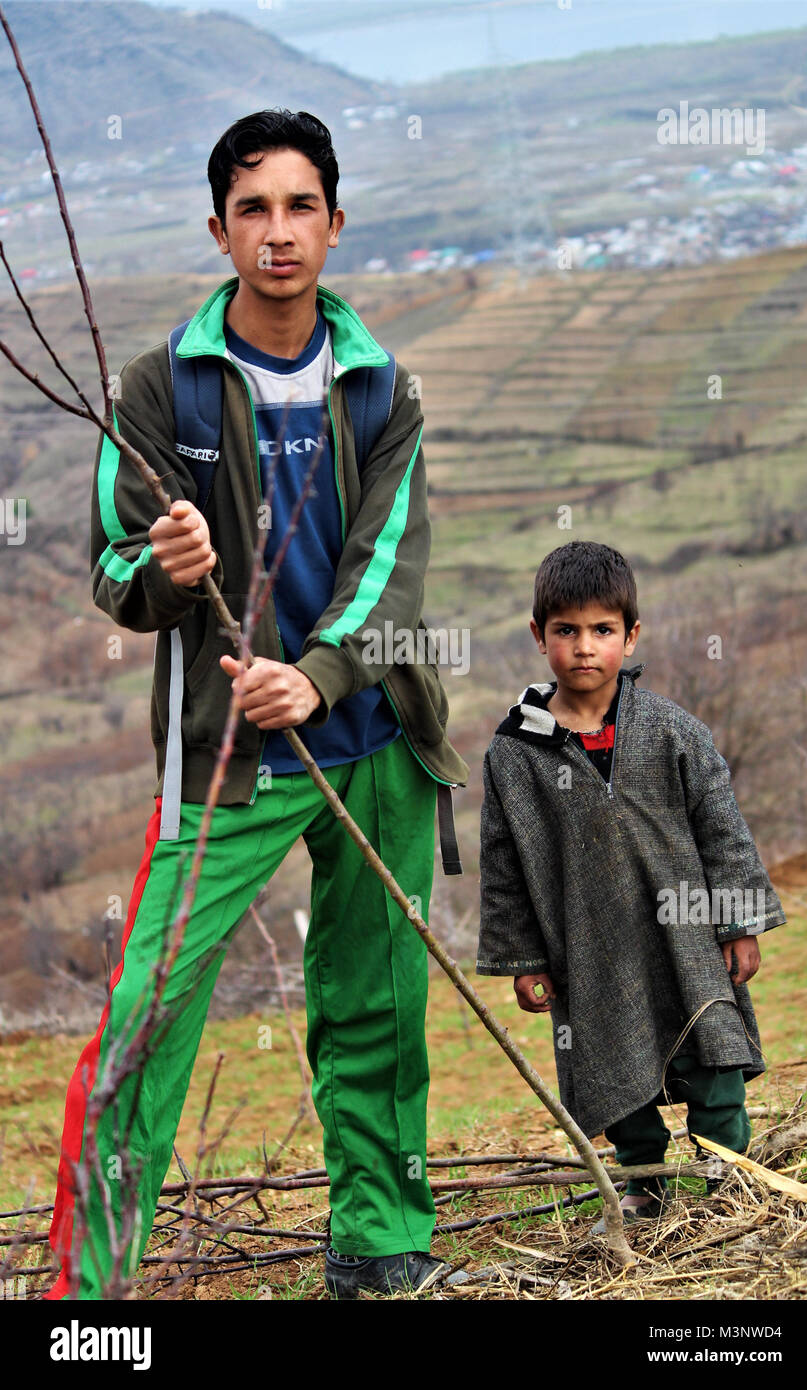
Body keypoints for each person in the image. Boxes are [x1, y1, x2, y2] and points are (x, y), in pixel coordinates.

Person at [44, 108, 468, 1301]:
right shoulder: (158, 386)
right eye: (252, 210)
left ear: (334, 223)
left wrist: (319, 675)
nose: (277, 233)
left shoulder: (383, 384)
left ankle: (380, 1243)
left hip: (373, 739)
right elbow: (111, 573)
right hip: (224, 757)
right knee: (146, 1017)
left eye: (298, 207)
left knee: (376, 1002)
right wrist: (169, 571)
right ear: (219, 230)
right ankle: (88, 1296)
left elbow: (389, 566)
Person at [477, 539, 786, 1229]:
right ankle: (644, 1184)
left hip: (688, 934)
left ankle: (731, 1179)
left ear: (630, 634)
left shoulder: (674, 731)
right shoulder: (515, 754)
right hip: (588, 948)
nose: (584, 647)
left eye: (602, 631)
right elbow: (503, 868)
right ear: (538, 636)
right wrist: (522, 959)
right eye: (566, 630)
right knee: (614, 1070)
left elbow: (723, 828)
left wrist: (739, 920)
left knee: (713, 1053)